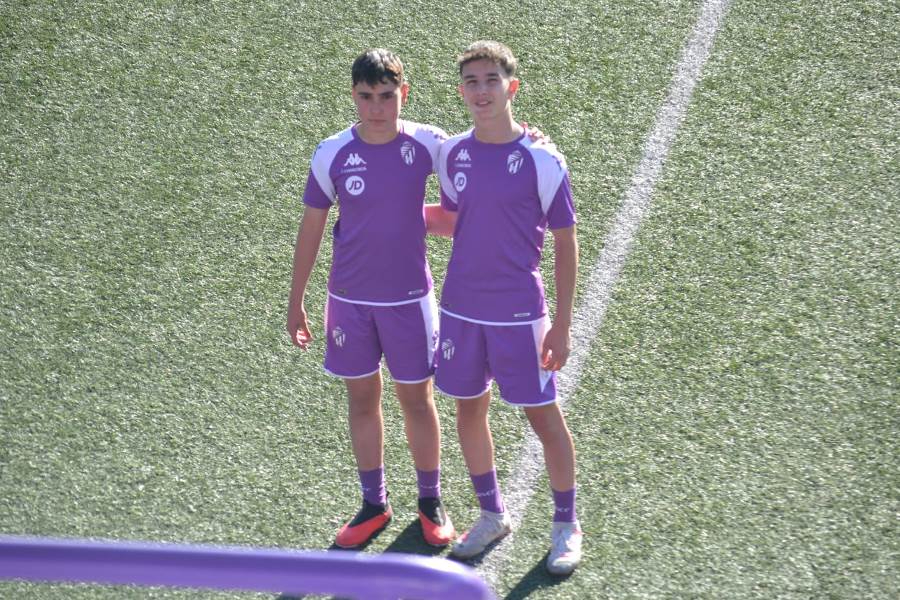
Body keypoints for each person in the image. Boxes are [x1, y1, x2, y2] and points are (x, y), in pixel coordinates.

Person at [286, 49, 455, 549]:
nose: (377, 107)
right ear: (353, 95)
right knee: (362, 400)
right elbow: (312, 227)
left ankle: (430, 501)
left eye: (387, 96)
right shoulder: (331, 152)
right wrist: (296, 300)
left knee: (418, 402)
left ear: (405, 94)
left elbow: (479, 164)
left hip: (410, 299)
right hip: (349, 301)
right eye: (366, 97)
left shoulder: (431, 145)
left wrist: (528, 135)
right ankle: (374, 503)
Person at [428, 40, 583, 575]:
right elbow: (456, 218)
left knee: (544, 417)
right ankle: (492, 514)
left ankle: (566, 524)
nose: (481, 91)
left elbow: (566, 241)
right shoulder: (453, 155)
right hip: (461, 310)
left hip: (520, 312)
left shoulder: (541, 158)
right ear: (460, 91)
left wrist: (561, 325)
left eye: (491, 80)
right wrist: (387, 214)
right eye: (471, 82)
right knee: (468, 410)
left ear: (511, 87)